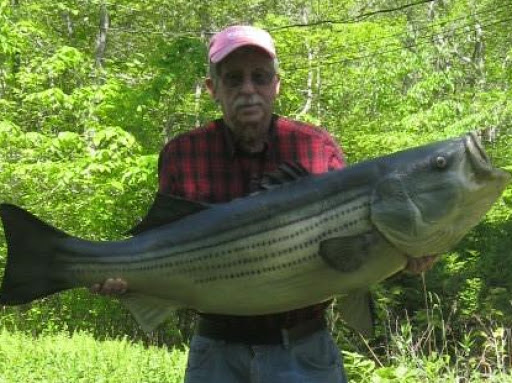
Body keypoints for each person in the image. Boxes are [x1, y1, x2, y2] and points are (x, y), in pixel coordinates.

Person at [92, 25, 437, 383]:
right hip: (216, 353)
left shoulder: (317, 148)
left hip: (304, 351)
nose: (248, 90)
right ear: (213, 89)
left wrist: (406, 252)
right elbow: (160, 245)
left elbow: (351, 248)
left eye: (259, 77)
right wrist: (120, 276)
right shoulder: (183, 154)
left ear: (276, 85)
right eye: (233, 79)